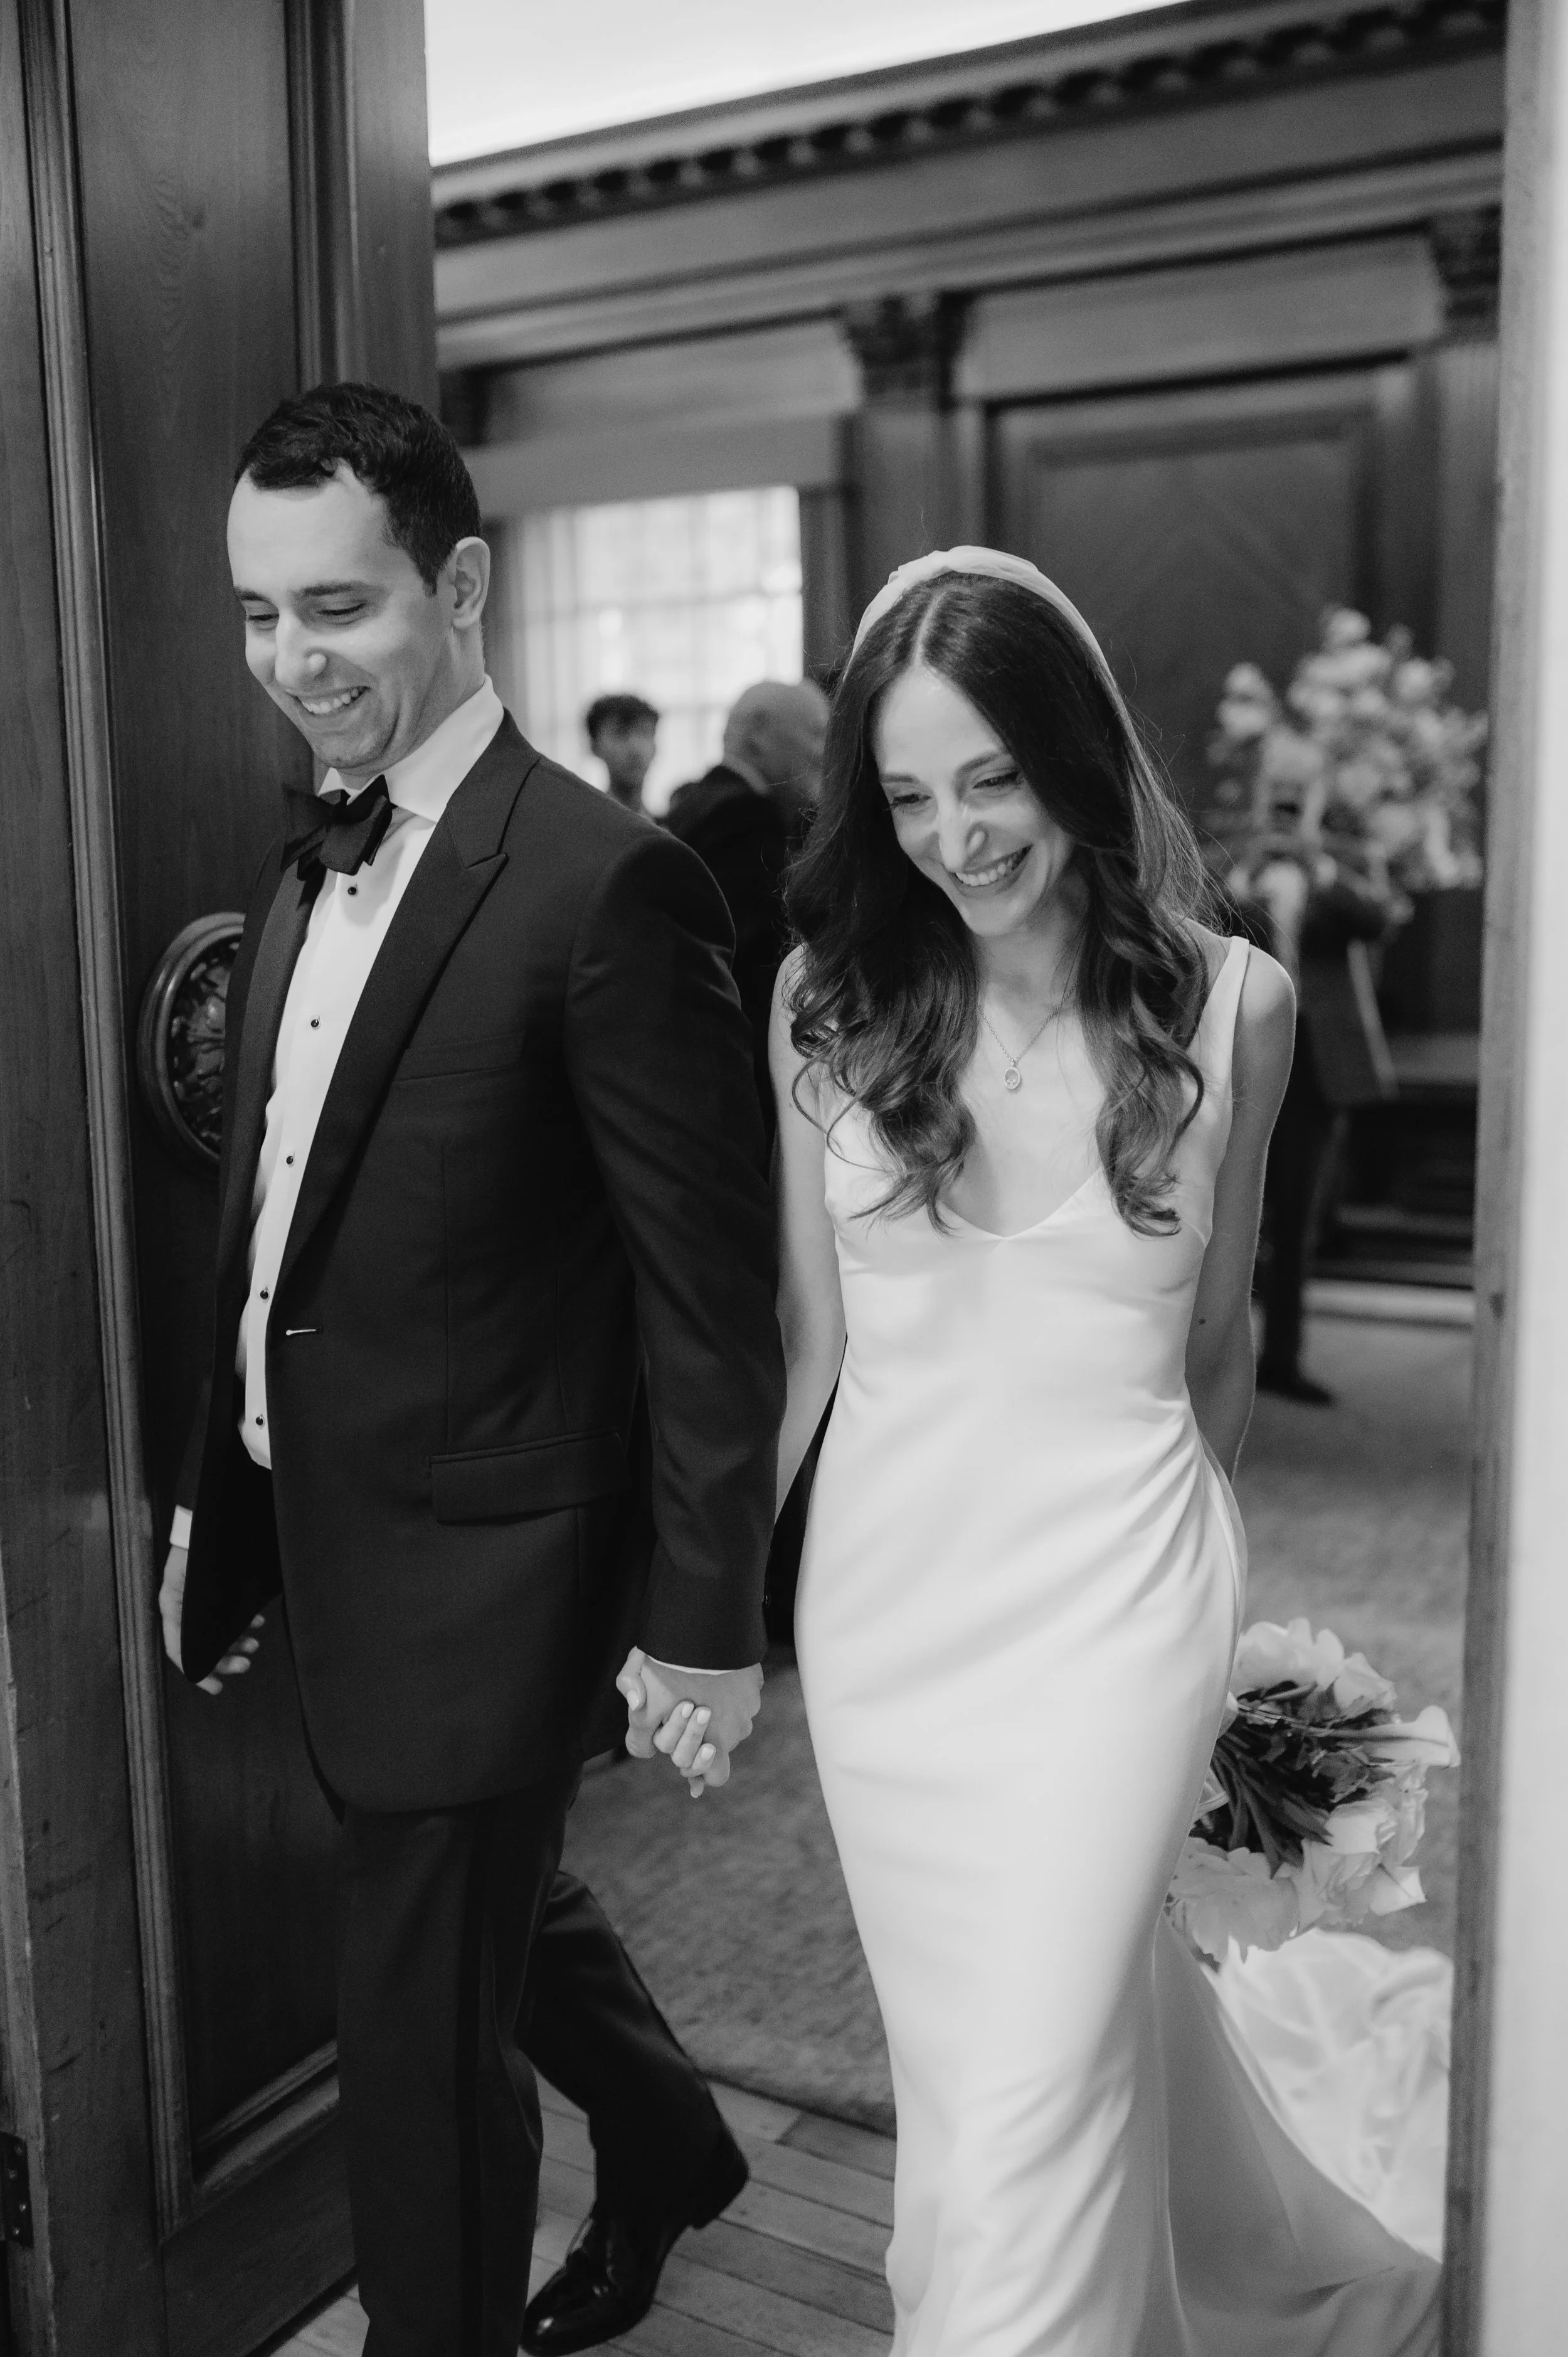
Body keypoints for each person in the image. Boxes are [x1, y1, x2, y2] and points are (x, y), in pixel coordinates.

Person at [158, 382, 783, 2357]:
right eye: (258, 616)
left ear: (461, 582)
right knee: (474, 1912)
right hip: (319, 1525)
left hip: (496, 1565)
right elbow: (275, 1225)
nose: (290, 664)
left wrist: (703, 1620)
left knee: (413, 2048)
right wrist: (217, 1487)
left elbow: (706, 1297)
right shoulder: (293, 875)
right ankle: (673, 2135)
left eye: (334, 610)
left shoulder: (606, 883)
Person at [770, 547, 1441, 2354]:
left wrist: (1180, 1607)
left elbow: (1215, 1344)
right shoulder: (822, 1008)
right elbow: (808, 1353)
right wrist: (692, 1605)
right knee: (984, 2059)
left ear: (1073, 754)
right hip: (887, 1620)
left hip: (1117, 1600)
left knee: (1038, 2068)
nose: (954, 834)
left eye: (991, 776)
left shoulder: (1237, 1009)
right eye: (905, 793)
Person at [664, 679, 829, 1144]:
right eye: (817, 733)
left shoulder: (693, 805)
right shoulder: (743, 819)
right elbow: (759, 960)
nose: (823, 754)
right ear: (757, 734)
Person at [585, 690, 659, 813]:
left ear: (655, 747)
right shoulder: (583, 826)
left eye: (644, 732)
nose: (635, 749)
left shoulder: (669, 828)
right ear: (595, 746)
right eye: (620, 733)